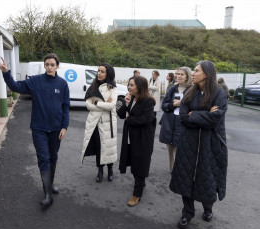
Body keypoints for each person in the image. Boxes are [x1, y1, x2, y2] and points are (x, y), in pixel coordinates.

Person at [0, 53, 70, 206]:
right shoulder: (36, 81)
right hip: (39, 128)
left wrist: (64, 127)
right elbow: (16, 86)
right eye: (47, 64)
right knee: (43, 157)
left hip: (56, 128)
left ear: (57, 66)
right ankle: (47, 195)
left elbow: (65, 107)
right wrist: (6, 72)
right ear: (44, 66)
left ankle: (50, 185)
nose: (49, 67)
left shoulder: (63, 84)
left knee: (53, 157)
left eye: (52, 64)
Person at [169, 60, 228, 229]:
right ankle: (187, 213)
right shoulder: (189, 92)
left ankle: (208, 208)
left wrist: (193, 114)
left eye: (196, 71)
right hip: (189, 143)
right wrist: (201, 115)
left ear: (206, 74)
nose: (192, 73)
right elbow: (183, 117)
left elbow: (215, 119)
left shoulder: (219, 93)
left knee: (207, 178)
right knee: (186, 177)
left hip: (210, 144)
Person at [118, 76, 156, 207]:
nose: (129, 87)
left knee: (140, 164)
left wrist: (129, 120)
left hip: (143, 138)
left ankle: (137, 194)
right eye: (129, 84)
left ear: (140, 86)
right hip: (131, 137)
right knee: (133, 161)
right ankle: (141, 182)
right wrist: (126, 104)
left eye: (132, 85)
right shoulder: (131, 98)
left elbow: (146, 119)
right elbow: (121, 114)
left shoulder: (149, 101)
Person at [80, 63, 118, 183]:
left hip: (108, 123)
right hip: (95, 122)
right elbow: (87, 105)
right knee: (99, 147)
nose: (99, 73)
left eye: (102, 71)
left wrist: (96, 103)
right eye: (98, 71)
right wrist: (104, 105)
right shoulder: (93, 87)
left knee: (109, 148)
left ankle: (110, 170)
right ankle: (100, 171)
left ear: (108, 74)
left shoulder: (112, 88)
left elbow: (112, 105)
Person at [159, 67, 192, 173]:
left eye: (182, 74)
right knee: (170, 147)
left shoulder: (192, 90)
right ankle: (172, 170)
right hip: (169, 123)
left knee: (181, 148)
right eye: (178, 74)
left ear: (188, 76)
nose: (179, 76)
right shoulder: (172, 89)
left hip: (182, 123)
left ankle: (181, 171)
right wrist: (173, 104)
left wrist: (182, 104)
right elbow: (164, 105)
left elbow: (194, 107)